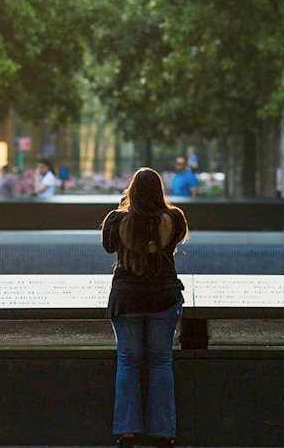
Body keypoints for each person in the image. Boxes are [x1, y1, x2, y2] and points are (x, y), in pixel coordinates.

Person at [101, 167, 189, 448]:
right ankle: (163, 433)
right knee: (161, 362)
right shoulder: (174, 219)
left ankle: (127, 432)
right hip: (163, 298)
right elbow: (173, 241)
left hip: (127, 299)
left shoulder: (116, 221)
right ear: (159, 191)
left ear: (132, 191)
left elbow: (107, 247)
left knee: (128, 362)